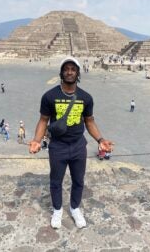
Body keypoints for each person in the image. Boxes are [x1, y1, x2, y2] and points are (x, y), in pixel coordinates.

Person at [29, 56, 114, 229]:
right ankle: (58, 210)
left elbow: (89, 122)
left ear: (78, 73)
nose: (69, 72)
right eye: (66, 69)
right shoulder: (49, 96)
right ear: (61, 72)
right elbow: (43, 120)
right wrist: (36, 141)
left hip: (78, 146)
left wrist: (101, 139)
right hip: (57, 146)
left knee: (78, 181)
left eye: (73, 69)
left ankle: (75, 208)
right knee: (55, 181)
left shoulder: (86, 97)